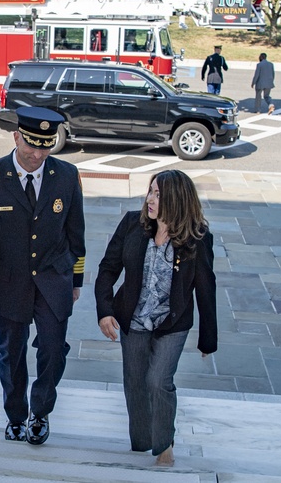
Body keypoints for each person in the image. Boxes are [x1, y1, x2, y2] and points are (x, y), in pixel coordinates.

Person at [0, 107, 86, 446]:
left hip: (52, 281)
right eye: (31, 145)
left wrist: (75, 282)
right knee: (11, 353)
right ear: (16, 136)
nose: (37, 154)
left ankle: (40, 411)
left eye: (45, 147)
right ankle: (16, 415)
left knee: (53, 348)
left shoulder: (67, 176)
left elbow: (76, 235)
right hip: (6, 282)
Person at [94, 170, 217, 467]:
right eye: (150, 191)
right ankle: (143, 443)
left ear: (176, 199)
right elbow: (107, 269)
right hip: (132, 320)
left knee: (158, 380)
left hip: (171, 325)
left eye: (158, 194)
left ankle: (164, 445)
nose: (149, 199)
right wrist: (105, 311)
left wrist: (208, 341)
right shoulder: (131, 224)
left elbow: (206, 288)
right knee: (135, 383)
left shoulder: (198, 238)